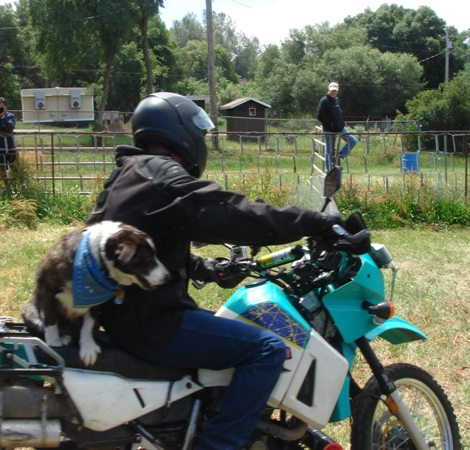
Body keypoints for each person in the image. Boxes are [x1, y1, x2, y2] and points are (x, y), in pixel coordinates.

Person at [87, 92, 342, 450]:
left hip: (128, 313)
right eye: (200, 133)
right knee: (267, 349)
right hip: (152, 323)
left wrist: (207, 268)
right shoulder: (162, 175)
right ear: (179, 131)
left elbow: (147, 252)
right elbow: (225, 212)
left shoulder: (132, 174)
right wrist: (313, 222)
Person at [316, 82, 357, 171]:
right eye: (332, 91)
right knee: (329, 150)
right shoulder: (324, 101)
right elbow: (319, 115)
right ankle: (329, 170)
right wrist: (330, 124)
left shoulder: (336, 100)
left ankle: (338, 157)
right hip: (329, 130)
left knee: (352, 141)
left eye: (335, 91)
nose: (333, 92)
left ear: (337, 91)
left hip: (340, 128)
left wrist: (340, 123)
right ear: (328, 89)